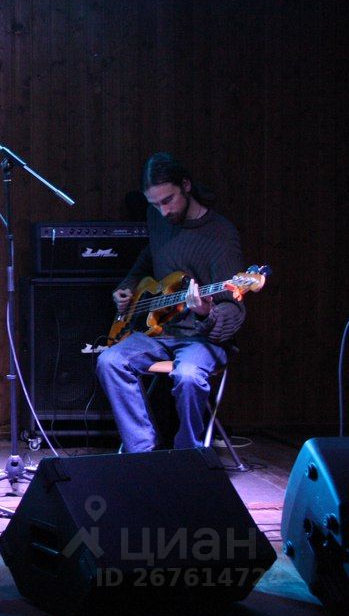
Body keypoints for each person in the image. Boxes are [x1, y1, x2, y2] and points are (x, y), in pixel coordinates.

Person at [96, 153, 246, 452]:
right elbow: (148, 257)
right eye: (155, 204)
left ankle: (187, 455)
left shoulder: (221, 235)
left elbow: (234, 309)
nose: (163, 211)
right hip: (158, 332)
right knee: (109, 361)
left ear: (186, 186)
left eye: (168, 200)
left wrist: (206, 313)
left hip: (203, 339)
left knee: (188, 375)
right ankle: (141, 451)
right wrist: (127, 287)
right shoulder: (158, 219)